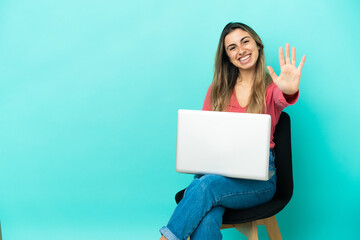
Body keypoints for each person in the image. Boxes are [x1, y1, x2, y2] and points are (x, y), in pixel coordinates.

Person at [159, 22, 306, 240]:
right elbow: (203, 138)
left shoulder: (272, 90)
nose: (241, 50)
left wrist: (290, 89)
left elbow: (284, 97)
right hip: (214, 173)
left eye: (245, 41)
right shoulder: (217, 90)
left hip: (259, 181)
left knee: (205, 187)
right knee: (207, 214)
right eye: (232, 47)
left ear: (257, 45)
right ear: (228, 57)